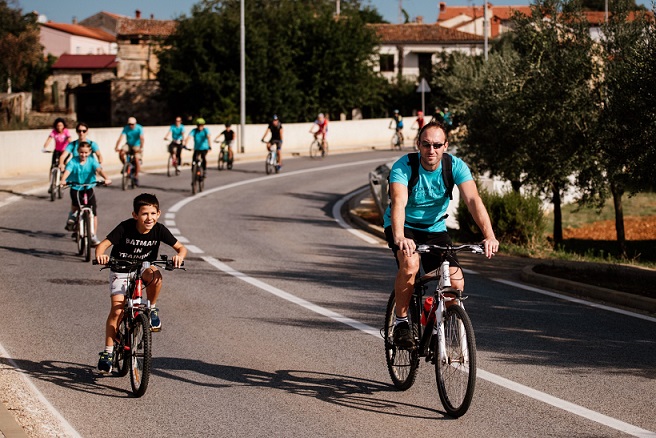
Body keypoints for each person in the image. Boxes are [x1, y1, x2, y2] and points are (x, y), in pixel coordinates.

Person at [383, 120, 498, 348]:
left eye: (437, 145)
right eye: (426, 145)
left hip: (435, 228)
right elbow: (398, 203)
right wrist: (400, 237)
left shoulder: (455, 166)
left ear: (446, 145)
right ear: (418, 145)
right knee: (410, 264)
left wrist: (489, 235)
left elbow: (473, 200)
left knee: (456, 282)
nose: (431, 150)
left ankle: (434, 320)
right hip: (405, 226)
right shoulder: (404, 166)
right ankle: (402, 323)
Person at [94, 193, 187, 373]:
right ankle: (108, 352)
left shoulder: (159, 230)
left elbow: (181, 248)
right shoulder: (125, 227)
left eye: (153, 213)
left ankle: (151, 307)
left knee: (156, 275)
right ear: (135, 215)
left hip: (143, 267)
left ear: (158, 213)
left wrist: (178, 257)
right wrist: (101, 256)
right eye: (144, 214)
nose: (149, 218)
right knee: (117, 310)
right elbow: (102, 246)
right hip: (121, 267)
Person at [60, 141, 112, 246]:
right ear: (78, 152)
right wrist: (63, 180)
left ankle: (92, 235)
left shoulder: (92, 161)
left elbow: (99, 170)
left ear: (89, 152)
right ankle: (73, 218)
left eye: (86, 153)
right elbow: (67, 171)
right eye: (81, 152)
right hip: (75, 187)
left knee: (93, 211)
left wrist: (106, 178)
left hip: (88, 188)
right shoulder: (73, 161)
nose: (83, 155)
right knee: (76, 206)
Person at [115, 117, 144, 186]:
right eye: (129, 124)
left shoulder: (139, 128)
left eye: (132, 124)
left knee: (136, 158)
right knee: (121, 152)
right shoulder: (126, 128)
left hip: (137, 145)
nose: (131, 126)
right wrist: (116, 146)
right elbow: (120, 137)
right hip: (128, 144)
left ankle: (136, 176)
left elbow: (142, 138)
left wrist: (141, 148)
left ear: (135, 124)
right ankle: (126, 165)